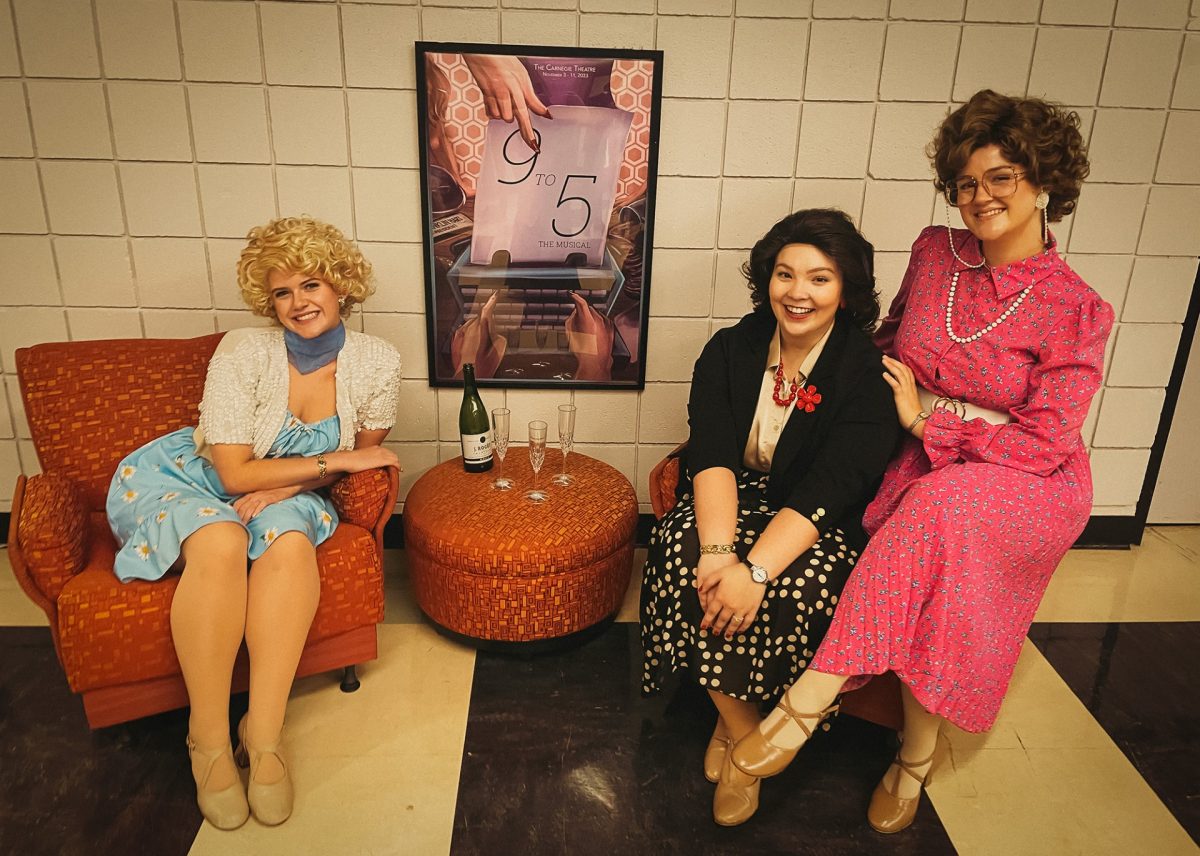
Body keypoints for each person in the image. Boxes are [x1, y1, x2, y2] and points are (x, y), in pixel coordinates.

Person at [730, 90, 1114, 834]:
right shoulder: (934, 252)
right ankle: (914, 755)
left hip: (1025, 481)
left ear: (1044, 183)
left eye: (1001, 177)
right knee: (933, 535)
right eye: (967, 182)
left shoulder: (1078, 308)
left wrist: (929, 420)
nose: (981, 197)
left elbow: (1045, 442)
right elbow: (885, 345)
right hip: (924, 460)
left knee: (943, 507)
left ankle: (807, 703)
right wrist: (807, 386)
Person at [105, 216, 402, 830]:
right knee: (220, 538)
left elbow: (355, 465)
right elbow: (237, 474)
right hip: (188, 478)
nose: (298, 303)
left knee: (291, 541)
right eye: (282, 292)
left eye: (311, 285)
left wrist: (296, 483)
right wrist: (338, 459)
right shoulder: (243, 349)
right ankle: (208, 742)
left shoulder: (378, 362)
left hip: (291, 490)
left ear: (340, 286)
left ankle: (262, 734)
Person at [640, 208, 899, 826]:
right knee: (683, 560)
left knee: (797, 584)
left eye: (819, 278)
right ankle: (743, 732)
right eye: (785, 275)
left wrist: (754, 571)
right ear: (767, 281)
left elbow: (835, 484)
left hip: (818, 513)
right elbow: (712, 453)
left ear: (847, 289)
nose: (798, 293)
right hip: (733, 494)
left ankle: (744, 741)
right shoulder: (731, 350)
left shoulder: (864, 373)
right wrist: (718, 553)